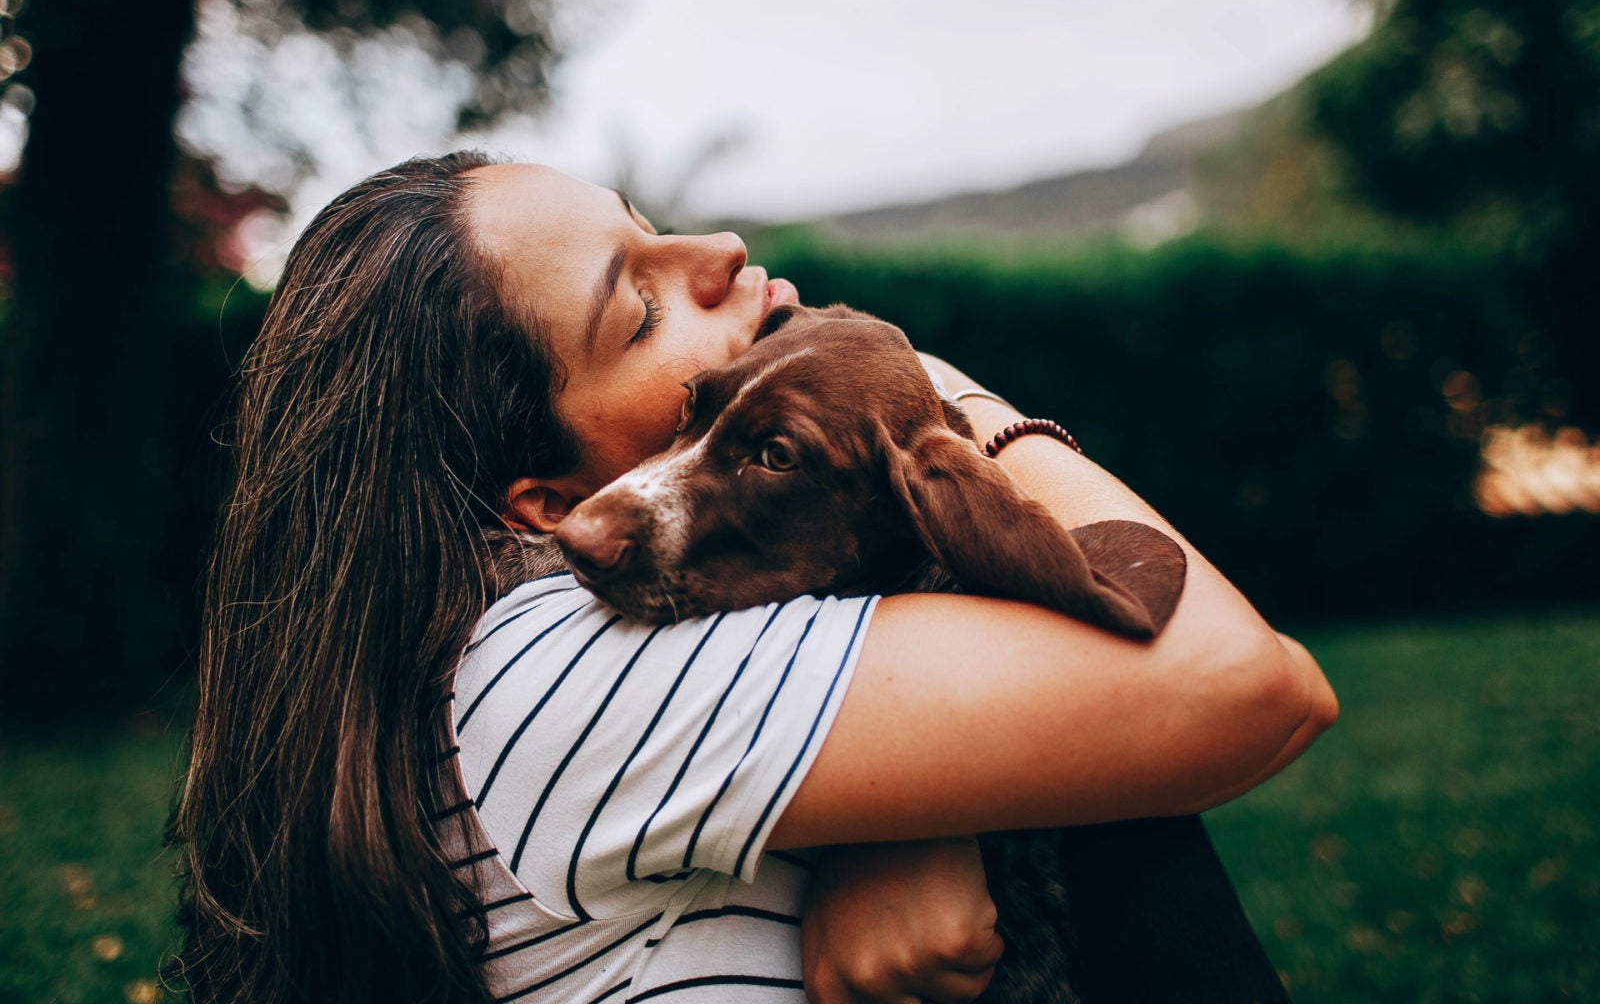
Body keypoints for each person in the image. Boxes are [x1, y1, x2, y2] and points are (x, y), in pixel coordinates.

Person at [170, 151, 1337, 1004]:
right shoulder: (543, 666)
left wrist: (937, 813)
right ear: (542, 507)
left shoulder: (669, 622)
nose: (719, 250)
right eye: (640, 305)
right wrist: (939, 398)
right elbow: (1251, 684)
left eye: (649, 222)